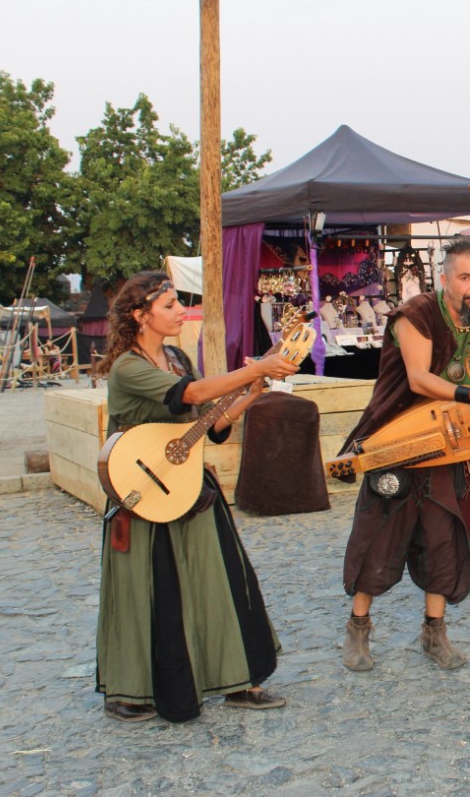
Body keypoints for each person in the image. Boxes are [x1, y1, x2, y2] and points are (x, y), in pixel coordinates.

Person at [96, 271, 300, 722]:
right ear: (139, 315)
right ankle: (135, 690)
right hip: (144, 490)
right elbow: (189, 394)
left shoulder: (175, 356)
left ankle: (239, 680)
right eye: (168, 305)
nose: (179, 312)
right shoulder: (129, 366)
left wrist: (251, 392)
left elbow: (208, 419)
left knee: (222, 581)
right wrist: (256, 367)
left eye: (177, 303)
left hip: (188, 484)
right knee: (149, 592)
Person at [338, 238, 470, 670]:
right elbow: (418, 379)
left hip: (451, 444)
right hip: (398, 438)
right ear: (444, 278)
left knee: (442, 538)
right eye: (465, 277)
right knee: (380, 535)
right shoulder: (415, 314)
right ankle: (359, 628)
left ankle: (434, 633)